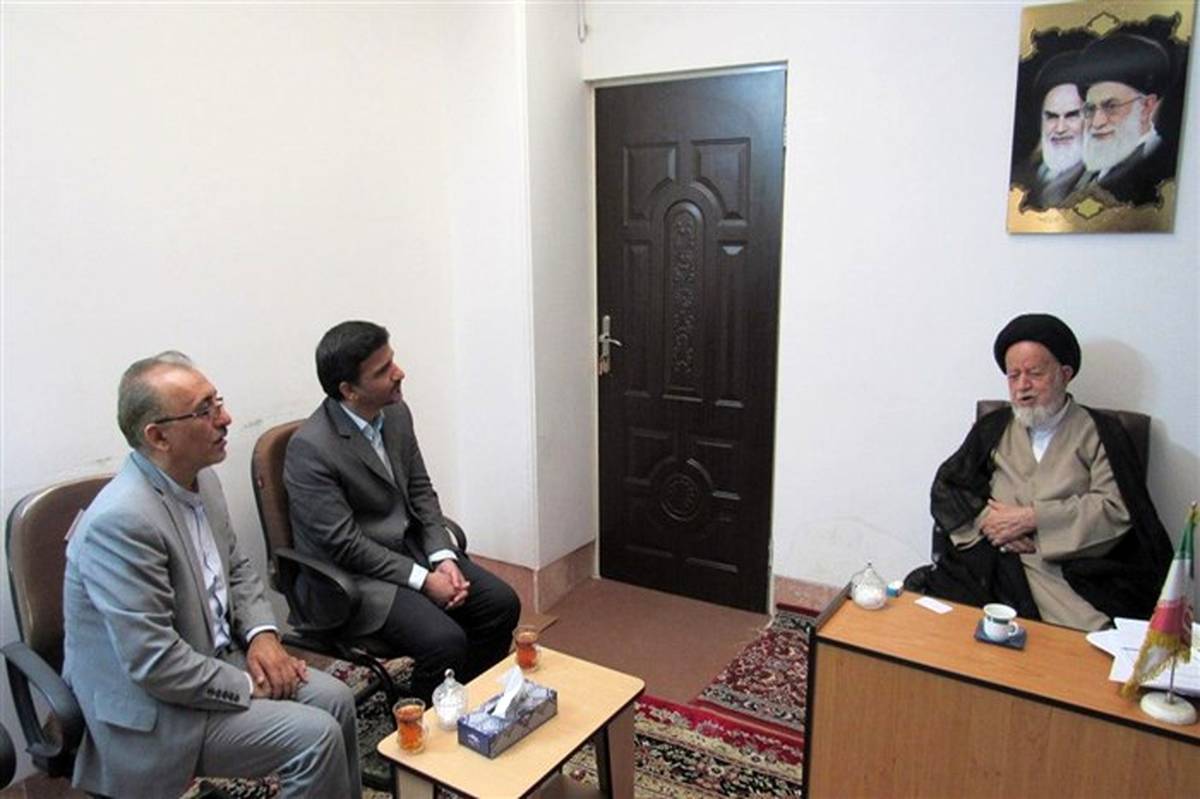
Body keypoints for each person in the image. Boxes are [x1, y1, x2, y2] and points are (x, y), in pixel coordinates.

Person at [63, 352, 361, 799]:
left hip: (214, 659)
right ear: (158, 436)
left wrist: (262, 636)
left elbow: (236, 568)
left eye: (217, 401)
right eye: (204, 411)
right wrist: (249, 683)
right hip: (159, 708)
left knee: (336, 700)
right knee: (315, 737)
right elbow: (156, 664)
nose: (226, 418)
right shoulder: (121, 522)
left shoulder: (201, 479)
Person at [285, 320, 521, 703]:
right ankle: (422, 727)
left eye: (392, 360)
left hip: (409, 550)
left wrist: (442, 555)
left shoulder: (395, 413)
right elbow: (344, 545)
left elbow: (420, 490)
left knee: (501, 604)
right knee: (445, 641)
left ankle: (464, 701)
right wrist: (424, 580)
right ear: (348, 390)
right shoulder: (310, 448)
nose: (399, 373)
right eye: (383, 370)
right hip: (353, 579)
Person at [908, 315, 1172, 631]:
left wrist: (1034, 519)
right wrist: (988, 522)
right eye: (1013, 376)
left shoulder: (1102, 433)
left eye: (1034, 374)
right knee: (931, 620)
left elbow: (1115, 508)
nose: (1022, 387)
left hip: (1063, 571)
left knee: (1083, 639)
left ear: (1065, 374)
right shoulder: (994, 427)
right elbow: (950, 487)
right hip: (993, 559)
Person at [1072, 33, 1176, 206]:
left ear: (1146, 107)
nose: (1096, 122)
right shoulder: (1084, 175)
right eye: (1090, 109)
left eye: (1111, 106)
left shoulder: (1161, 166)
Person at [1015, 51, 1086, 209]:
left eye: (1072, 115)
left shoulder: (1101, 182)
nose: (1060, 128)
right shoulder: (1019, 176)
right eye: (1052, 116)